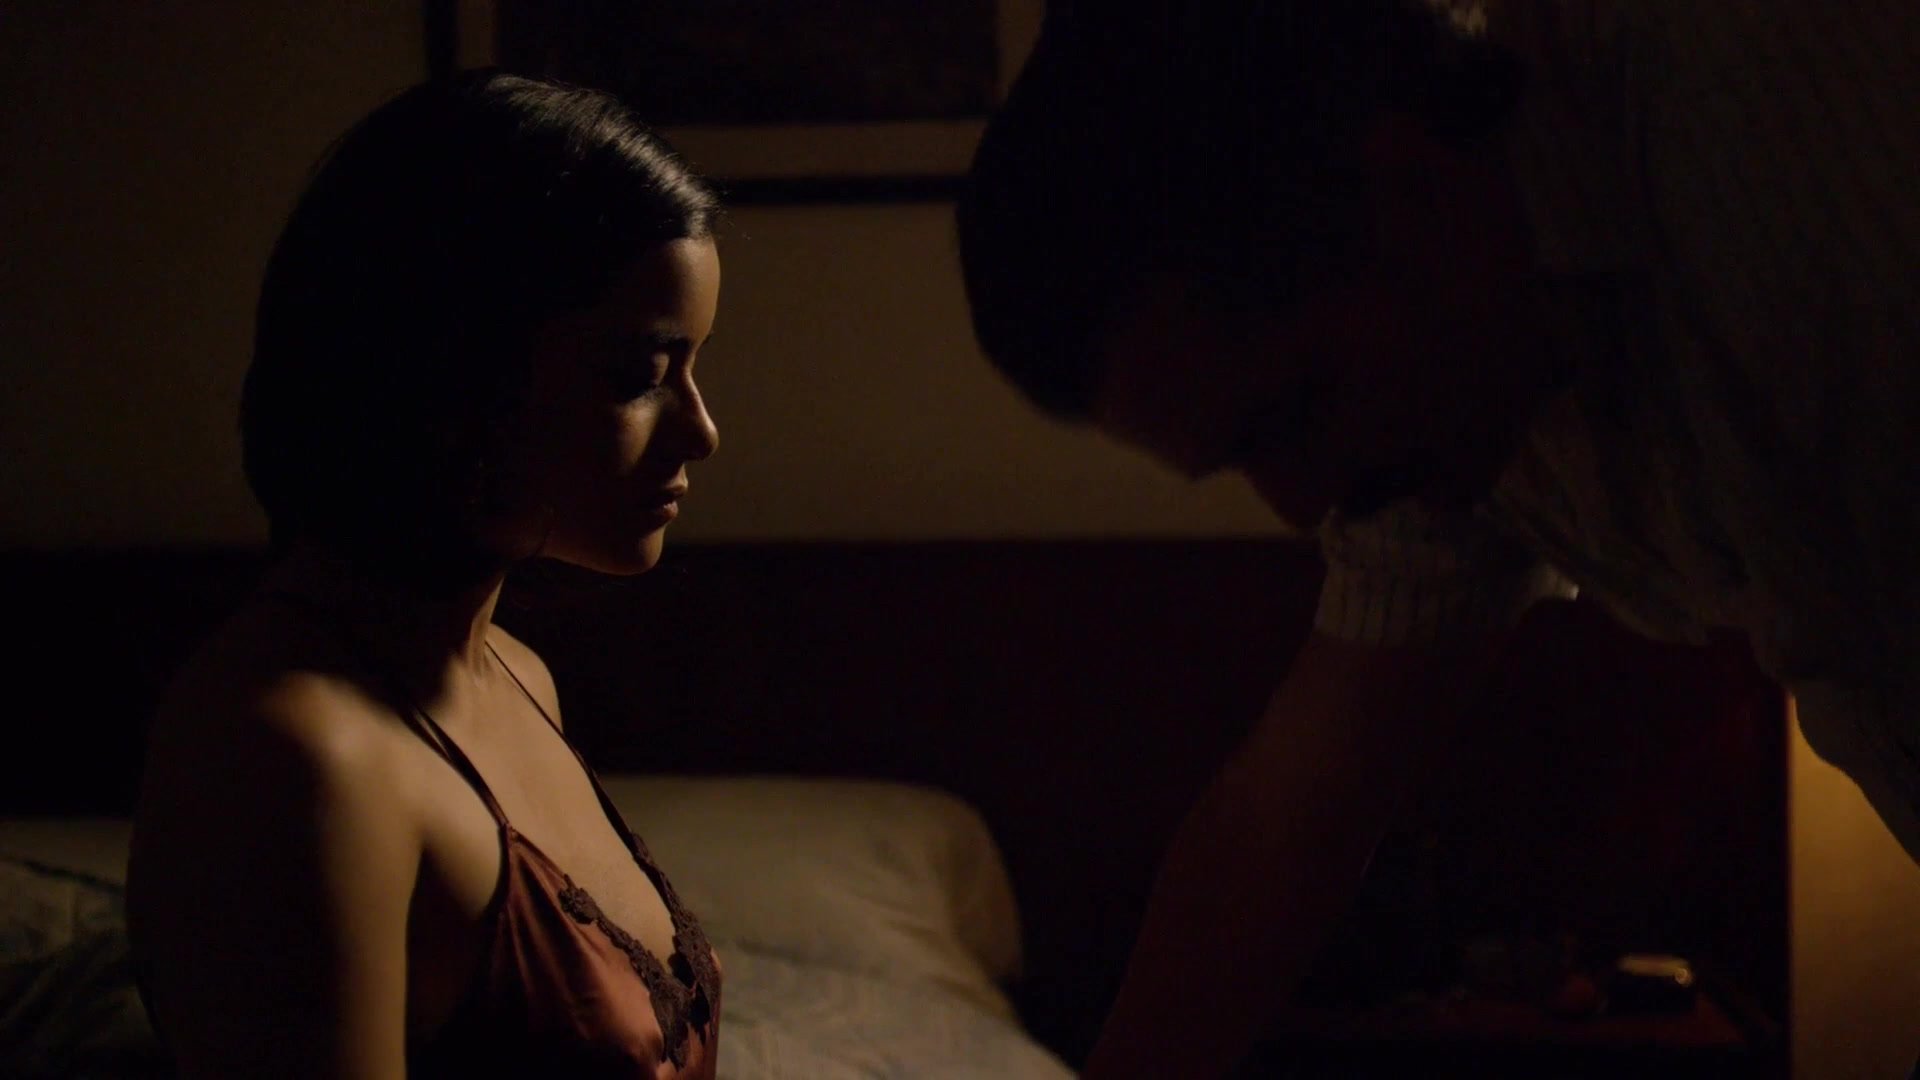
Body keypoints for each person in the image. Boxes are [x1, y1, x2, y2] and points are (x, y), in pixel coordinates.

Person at [957, 1, 1920, 1075]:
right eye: (1238, 461)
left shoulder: (1784, 142)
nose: (1306, 505)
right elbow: (1276, 832)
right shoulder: (1453, 380)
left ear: (1405, 181)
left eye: (1295, 410)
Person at [126, 71, 725, 1078]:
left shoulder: (517, 677)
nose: (701, 432)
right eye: (642, 376)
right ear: (455, 368)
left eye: (695, 369)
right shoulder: (292, 761)